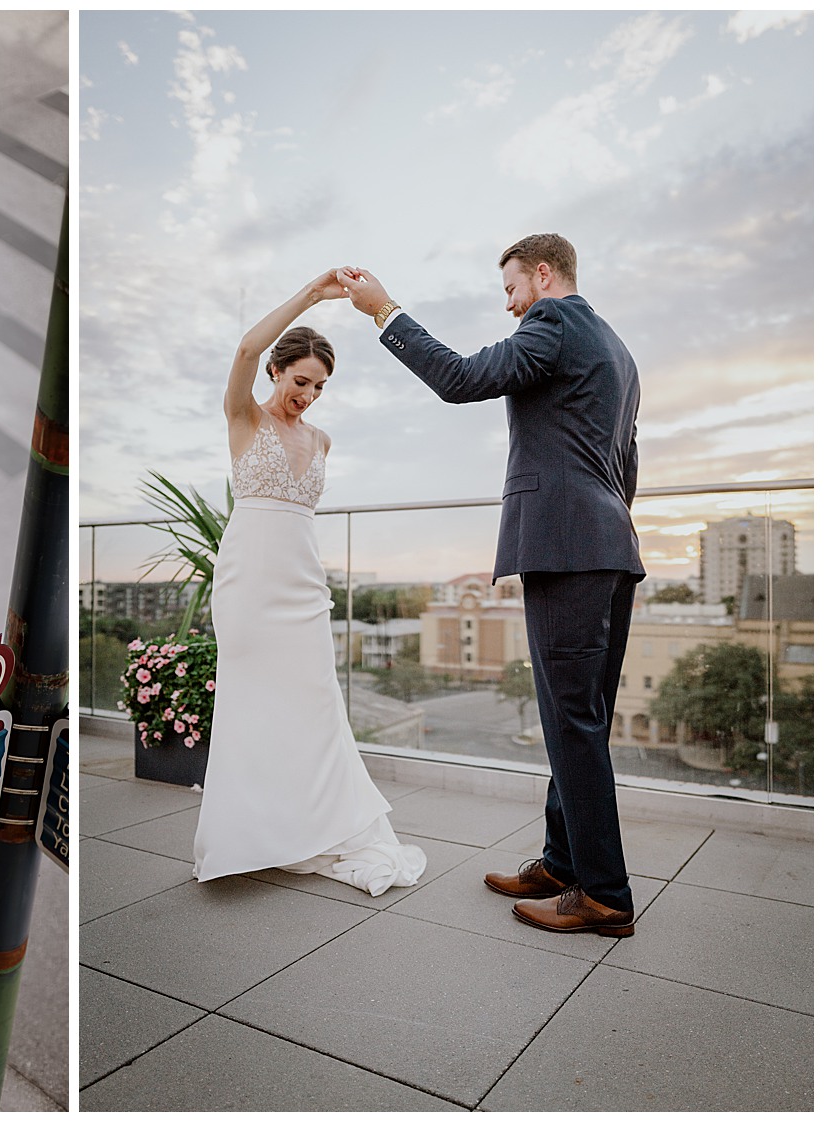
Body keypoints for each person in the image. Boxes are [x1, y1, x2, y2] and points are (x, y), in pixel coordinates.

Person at [337, 234, 643, 937]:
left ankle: (605, 895)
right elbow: (627, 463)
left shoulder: (555, 321)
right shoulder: (617, 347)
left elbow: (462, 379)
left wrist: (382, 309)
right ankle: (563, 862)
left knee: (573, 722)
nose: (508, 306)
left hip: (568, 550)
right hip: (609, 547)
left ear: (543, 273)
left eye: (510, 289)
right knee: (579, 718)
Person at [191, 271, 427, 896]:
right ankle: (252, 831)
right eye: (301, 381)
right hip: (248, 585)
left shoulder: (322, 440)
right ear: (276, 371)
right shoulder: (244, 418)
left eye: (320, 387)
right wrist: (310, 294)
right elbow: (243, 349)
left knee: (315, 703)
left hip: (303, 586)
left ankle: (316, 823)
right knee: (250, 704)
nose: (309, 396)